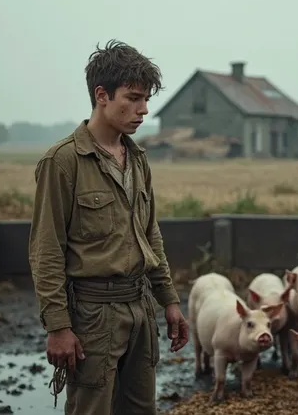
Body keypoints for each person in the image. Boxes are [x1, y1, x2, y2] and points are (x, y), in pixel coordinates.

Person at [28, 39, 189, 415]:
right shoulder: (63, 162)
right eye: (132, 98)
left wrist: (169, 300)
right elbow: (45, 250)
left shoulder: (137, 159)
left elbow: (150, 234)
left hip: (140, 307)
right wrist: (57, 326)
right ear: (102, 95)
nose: (144, 110)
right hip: (92, 314)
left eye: (146, 99)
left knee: (140, 409)